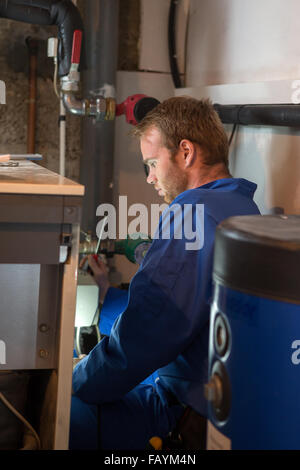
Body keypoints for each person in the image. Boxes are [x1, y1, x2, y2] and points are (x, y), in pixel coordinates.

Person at [69, 97, 260, 450]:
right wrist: (143, 254)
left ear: (185, 152)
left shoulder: (190, 214)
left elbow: (147, 332)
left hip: (185, 420)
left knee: (67, 413)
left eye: (153, 163)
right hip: (229, 410)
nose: (151, 177)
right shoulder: (241, 205)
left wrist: (73, 378)